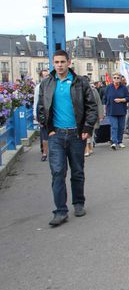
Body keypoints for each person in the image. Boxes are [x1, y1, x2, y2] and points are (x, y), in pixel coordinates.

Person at [37, 50, 98, 226]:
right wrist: (48, 129)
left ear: (69, 62)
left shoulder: (80, 82)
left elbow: (91, 106)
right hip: (56, 134)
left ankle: (78, 203)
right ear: (53, 63)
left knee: (77, 171)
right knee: (57, 173)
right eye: (56, 62)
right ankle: (60, 211)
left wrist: (87, 127)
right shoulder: (47, 83)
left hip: (76, 134)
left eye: (63, 62)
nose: (60, 65)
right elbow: (41, 108)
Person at [103, 72, 129, 150]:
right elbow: (105, 99)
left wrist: (121, 100)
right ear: (112, 79)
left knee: (121, 127)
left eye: (117, 78)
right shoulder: (109, 87)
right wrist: (104, 110)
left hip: (121, 110)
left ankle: (120, 141)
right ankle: (114, 142)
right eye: (114, 78)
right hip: (111, 110)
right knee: (114, 126)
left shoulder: (124, 88)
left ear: (120, 79)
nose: (116, 79)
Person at [33, 69, 50, 161]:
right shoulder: (38, 87)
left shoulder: (52, 85)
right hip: (43, 113)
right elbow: (36, 102)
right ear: (41, 77)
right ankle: (44, 153)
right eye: (44, 76)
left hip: (52, 113)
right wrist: (35, 114)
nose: (46, 77)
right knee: (44, 135)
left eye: (47, 75)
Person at [85, 83, 104, 156]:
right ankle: (87, 147)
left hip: (92, 115)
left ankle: (90, 146)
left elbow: (99, 102)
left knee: (91, 132)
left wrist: (101, 115)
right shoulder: (78, 90)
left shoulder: (94, 90)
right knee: (86, 131)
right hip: (83, 115)